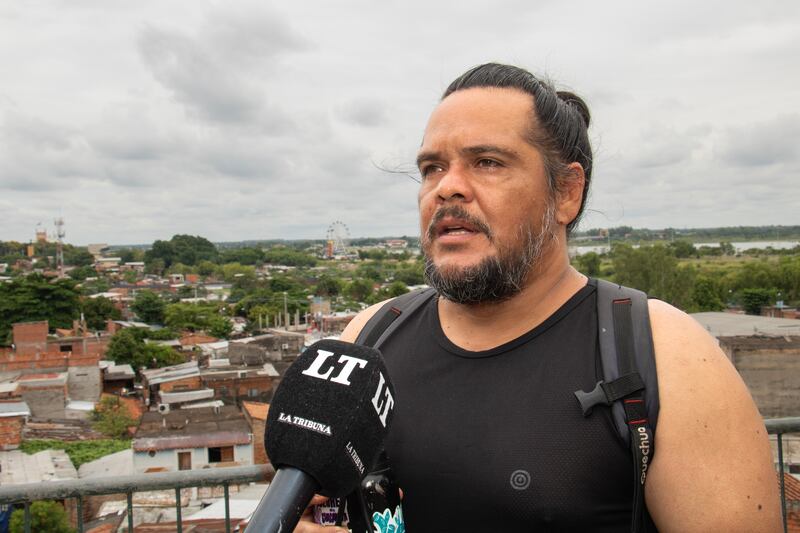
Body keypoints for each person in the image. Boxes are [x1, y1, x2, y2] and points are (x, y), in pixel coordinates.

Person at [296, 63, 782, 532]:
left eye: (487, 162)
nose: (447, 188)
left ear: (567, 192)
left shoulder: (667, 355)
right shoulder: (367, 340)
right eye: (432, 168)